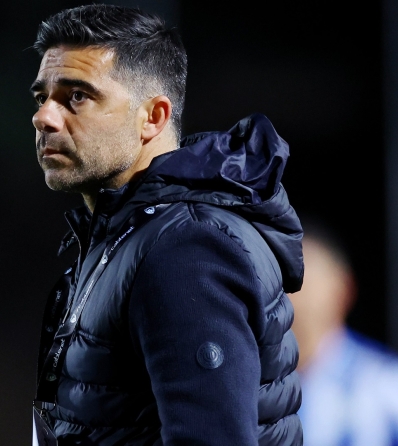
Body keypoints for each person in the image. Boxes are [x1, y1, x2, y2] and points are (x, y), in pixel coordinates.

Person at [29, 5, 304, 445]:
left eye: (77, 96)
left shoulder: (186, 248)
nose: (44, 117)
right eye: (41, 97)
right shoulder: (127, 237)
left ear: (153, 117)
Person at [289, 221, 398, 445]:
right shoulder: (244, 385)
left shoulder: (385, 386)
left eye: (303, 281)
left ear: (343, 289)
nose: (291, 296)